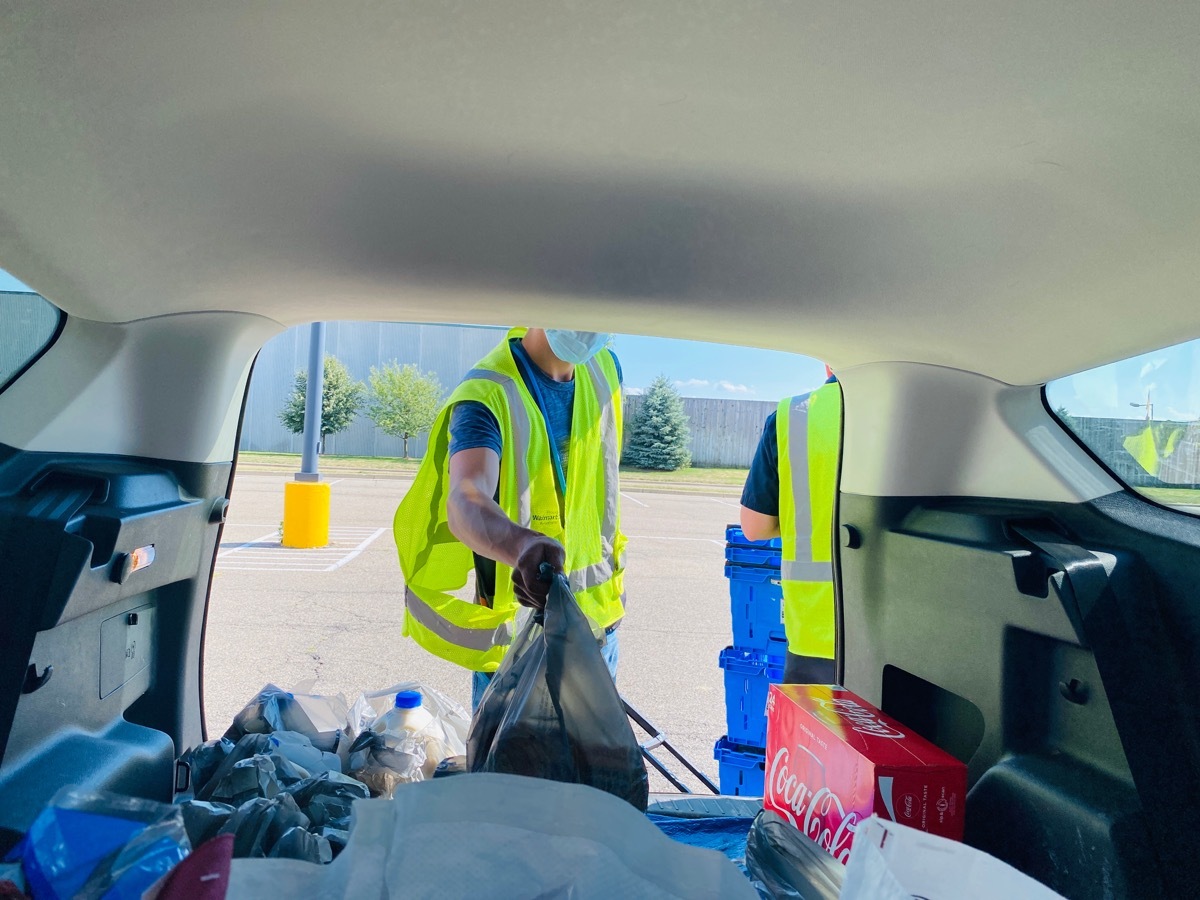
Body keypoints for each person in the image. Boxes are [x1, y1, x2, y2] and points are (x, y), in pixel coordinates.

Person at [393, 327, 626, 709]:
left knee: (588, 769)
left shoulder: (606, 370)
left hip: (599, 634)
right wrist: (521, 546)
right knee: (510, 769)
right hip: (520, 651)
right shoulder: (488, 393)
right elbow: (466, 496)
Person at [739, 368, 842, 684]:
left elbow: (754, 527)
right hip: (912, 647)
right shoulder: (926, 411)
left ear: (828, 363)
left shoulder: (793, 416)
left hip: (816, 638)